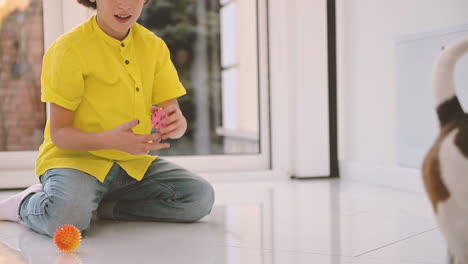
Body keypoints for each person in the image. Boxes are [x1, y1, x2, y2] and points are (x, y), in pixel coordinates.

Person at [0, 0, 215, 237]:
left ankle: (102, 207)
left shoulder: (154, 47)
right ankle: (25, 203)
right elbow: (60, 134)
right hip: (75, 161)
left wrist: (176, 125)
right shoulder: (68, 49)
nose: (124, 5)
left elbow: (174, 115)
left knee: (199, 198)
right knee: (66, 222)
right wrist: (112, 141)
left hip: (131, 164)